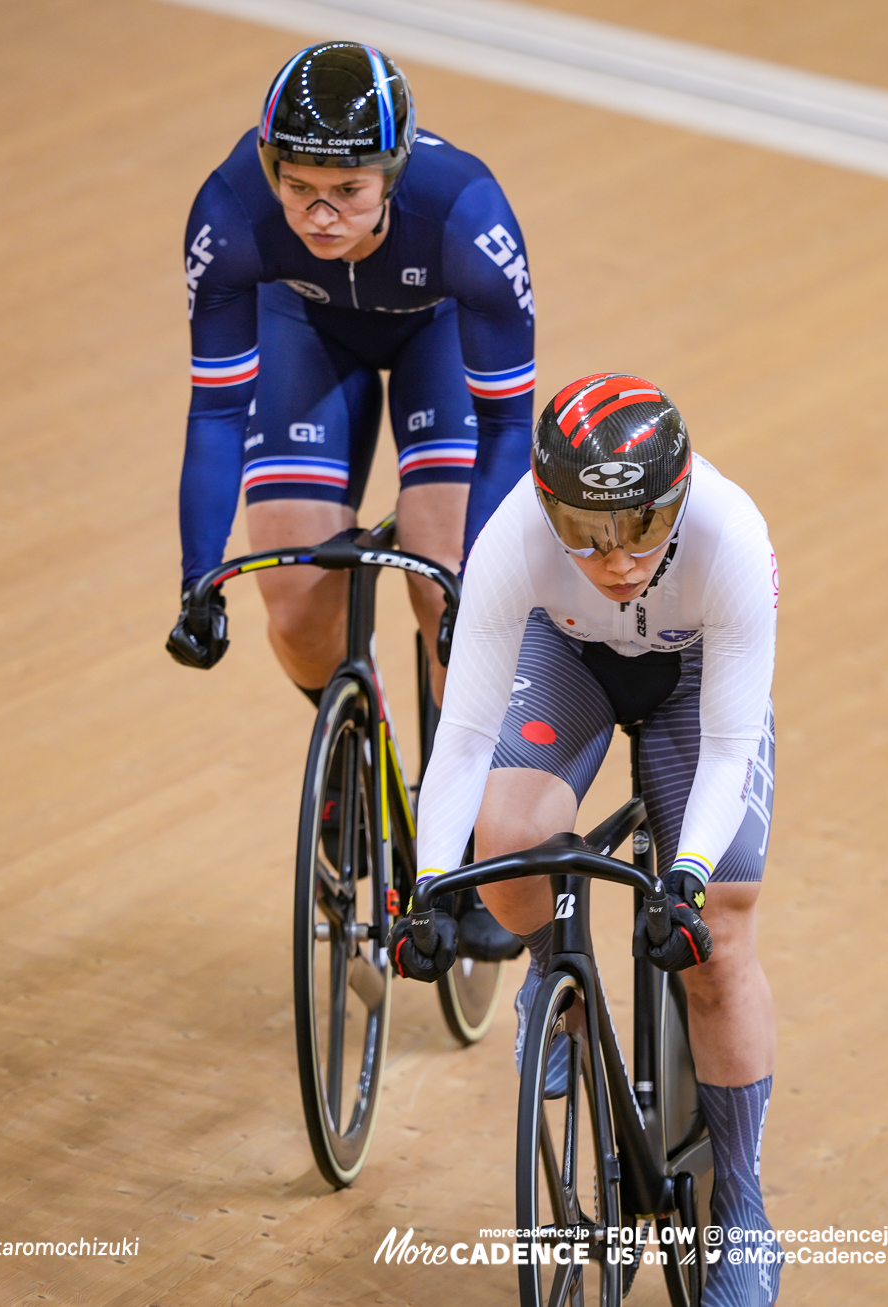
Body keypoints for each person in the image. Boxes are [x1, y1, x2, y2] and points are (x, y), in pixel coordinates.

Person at [390, 373, 784, 1306]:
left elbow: (732, 745)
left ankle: (742, 1208)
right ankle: (548, 978)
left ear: (680, 498)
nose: (614, 560)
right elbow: (460, 737)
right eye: (586, 530)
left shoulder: (731, 534)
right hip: (569, 659)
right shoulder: (512, 537)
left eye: (641, 528)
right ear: (543, 499)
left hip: (693, 687)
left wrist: (684, 877)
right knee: (510, 833)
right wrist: (426, 886)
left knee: (720, 932)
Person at [164, 42, 535, 958]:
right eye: (298, 189)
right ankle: (352, 773)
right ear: (268, 168)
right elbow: (216, 409)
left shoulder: (468, 220)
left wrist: (477, 598)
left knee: (445, 581)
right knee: (291, 603)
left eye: (350, 193)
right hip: (306, 331)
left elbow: (508, 431)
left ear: (394, 173)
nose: (321, 215)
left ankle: (473, 839)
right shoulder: (229, 213)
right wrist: (196, 579)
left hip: (436, 338)